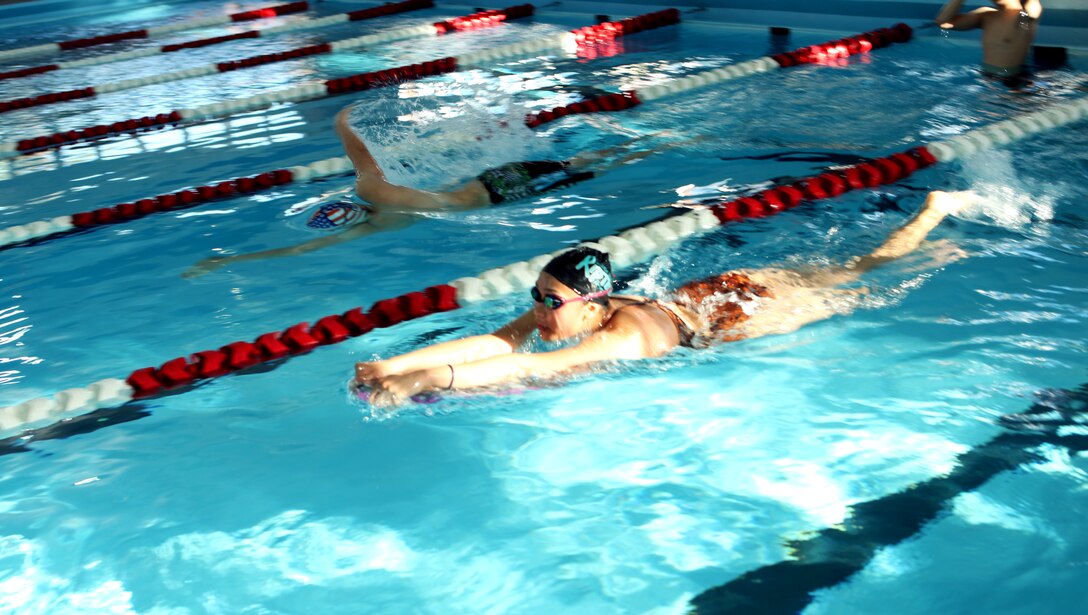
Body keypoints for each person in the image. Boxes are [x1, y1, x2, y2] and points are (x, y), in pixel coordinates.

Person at [355, 190, 974, 406]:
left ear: (593, 306)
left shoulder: (616, 334)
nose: (540, 311)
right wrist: (392, 365)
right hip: (705, 294)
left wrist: (422, 380)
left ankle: (935, 221)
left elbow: (527, 364)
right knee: (848, 266)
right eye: (537, 297)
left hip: (744, 311)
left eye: (551, 301)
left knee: (866, 276)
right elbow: (500, 341)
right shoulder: (568, 308)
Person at [183, 104, 662, 278]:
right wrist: (341, 121)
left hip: (502, 192)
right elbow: (359, 157)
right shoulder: (374, 192)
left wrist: (228, 263)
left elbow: (302, 248)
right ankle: (650, 144)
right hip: (500, 179)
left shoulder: (379, 215)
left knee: (587, 170)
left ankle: (656, 146)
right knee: (584, 165)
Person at [935, 0, 1043, 86]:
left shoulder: (1024, 17)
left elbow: (1033, 11)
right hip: (985, 79)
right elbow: (943, 22)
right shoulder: (986, 15)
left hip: (1014, 82)